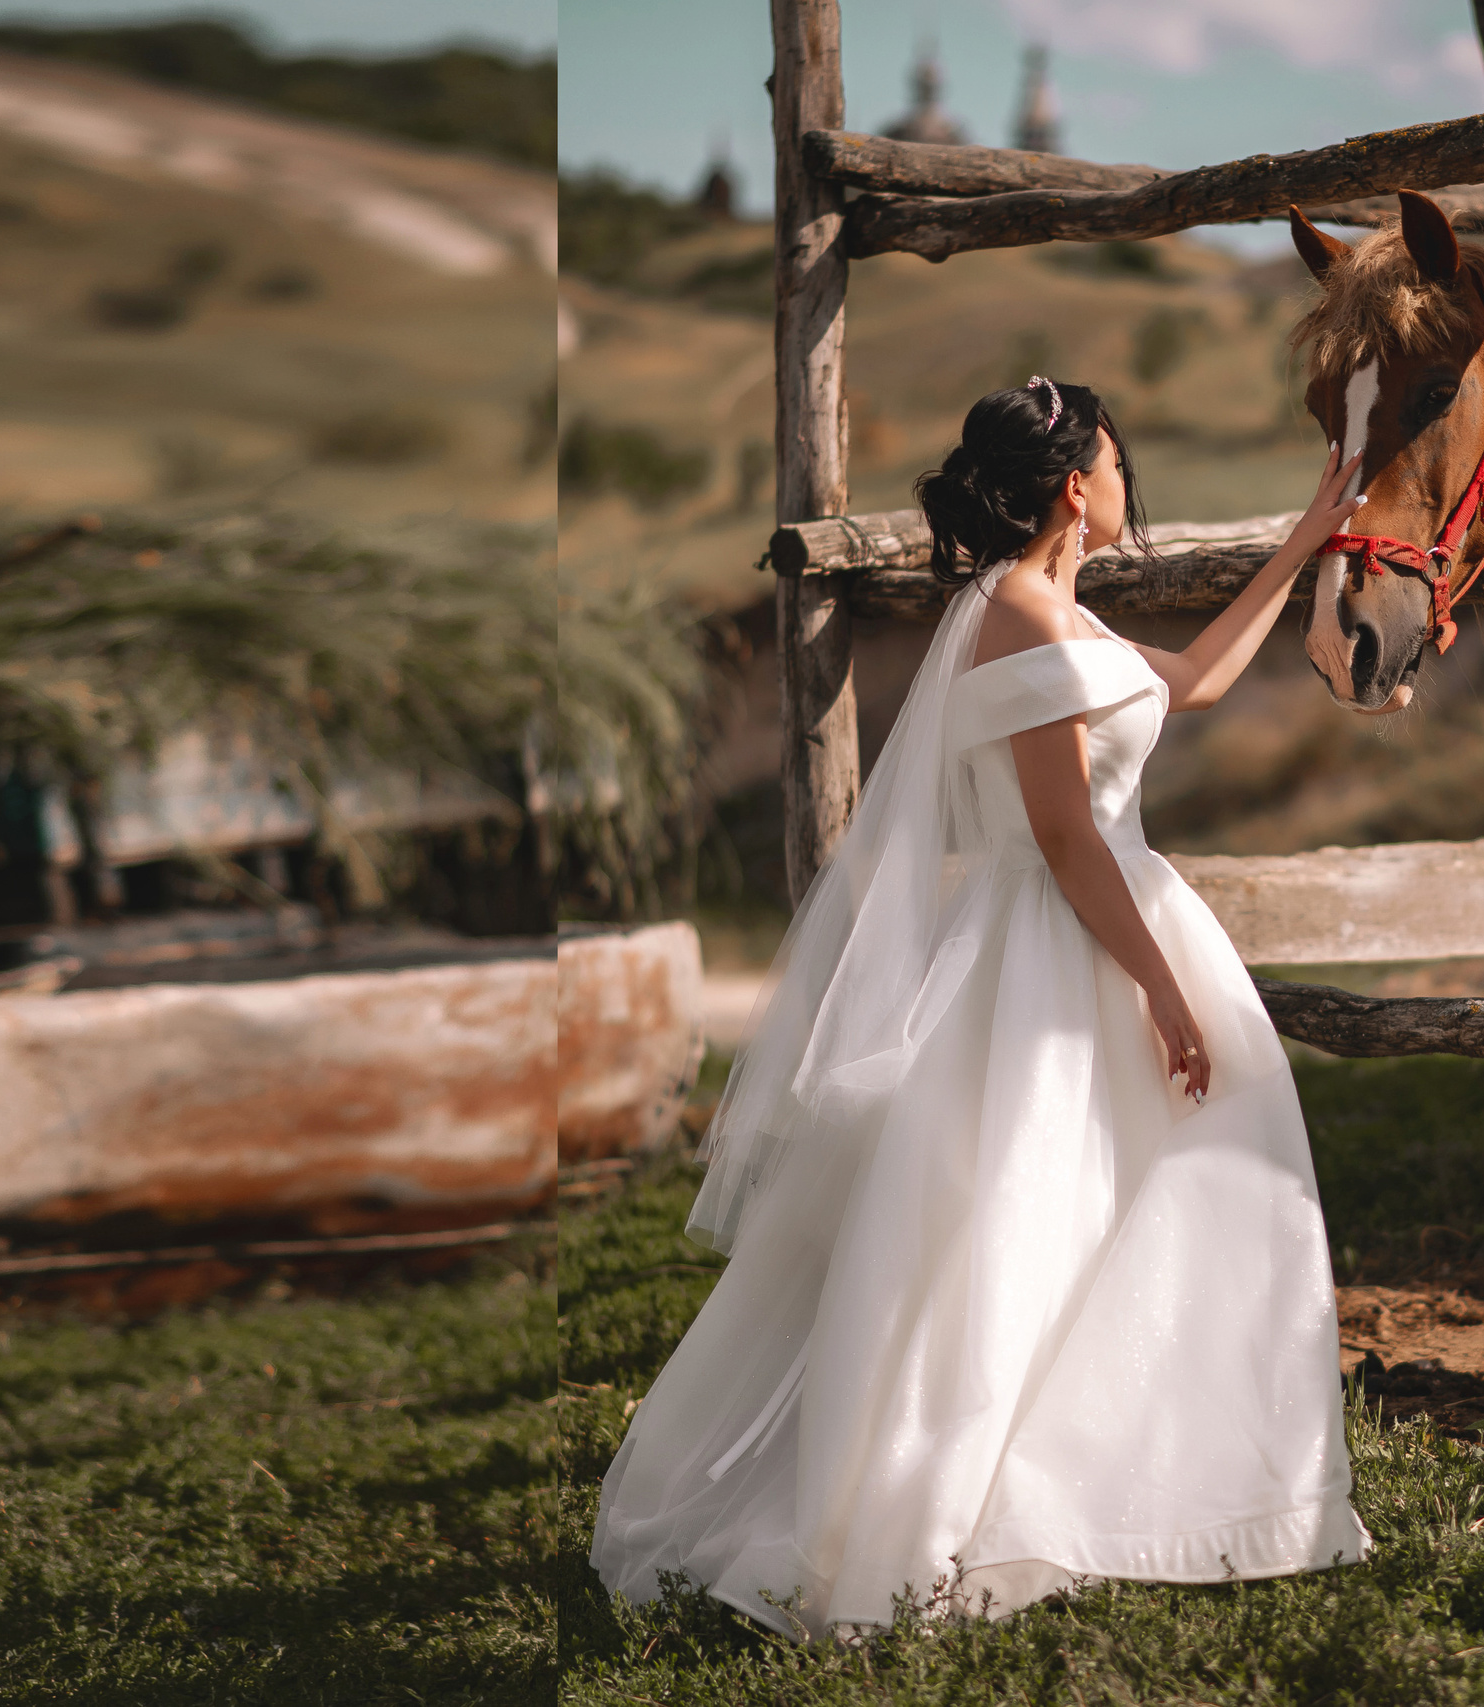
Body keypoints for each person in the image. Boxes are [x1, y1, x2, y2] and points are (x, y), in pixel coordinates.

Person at [590, 375, 1372, 1639]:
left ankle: (1133, 1478)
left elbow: (1197, 684)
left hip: (1106, 920)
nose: (1127, 482)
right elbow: (1065, 839)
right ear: (1077, 485)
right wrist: (1165, 994)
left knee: (1136, 1204)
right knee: (1013, 1222)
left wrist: (1307, 533)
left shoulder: (1056, 612)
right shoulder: (1011, 617)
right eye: (1116, 463)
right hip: (1057, 947)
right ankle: (945, 1512)